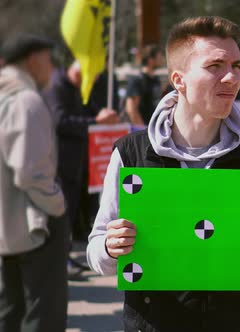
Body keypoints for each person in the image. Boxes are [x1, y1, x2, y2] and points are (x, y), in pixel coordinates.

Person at [86, 16, 240, 331]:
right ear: (178, 79)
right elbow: (96, 251)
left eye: (237, 66)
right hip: (155, 322)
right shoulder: (131, 153)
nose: (232, 77)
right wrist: (109, 247)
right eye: (215, 66)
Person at [0, 34, 67, 332]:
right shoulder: (26, 101)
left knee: (11, 311)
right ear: (32, 60)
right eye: (48, 59)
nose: (51, 67)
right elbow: (30, 173)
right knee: (43, 315)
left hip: (8, 228)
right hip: (35, 224)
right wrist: (58, 204)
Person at [43, 61, 119, 274]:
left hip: (77, 163)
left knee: (71, 211)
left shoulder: (77, 87)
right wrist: (96, 120)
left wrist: (104, 114)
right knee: (61, 214)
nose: (92, 83)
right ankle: (59, 261)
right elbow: (60, 121)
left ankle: (65, 256)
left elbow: (89, 109)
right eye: (91, 77)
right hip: (60, 163)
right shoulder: (57, 86)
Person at [124, 44, 164, 126]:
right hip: (143, 131)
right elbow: (131, 108)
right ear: (150, 60)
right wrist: (142, 130)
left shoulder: (156, 79)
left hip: (155, 129)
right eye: (159, 57)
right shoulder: (137, 79)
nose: (161, 60)